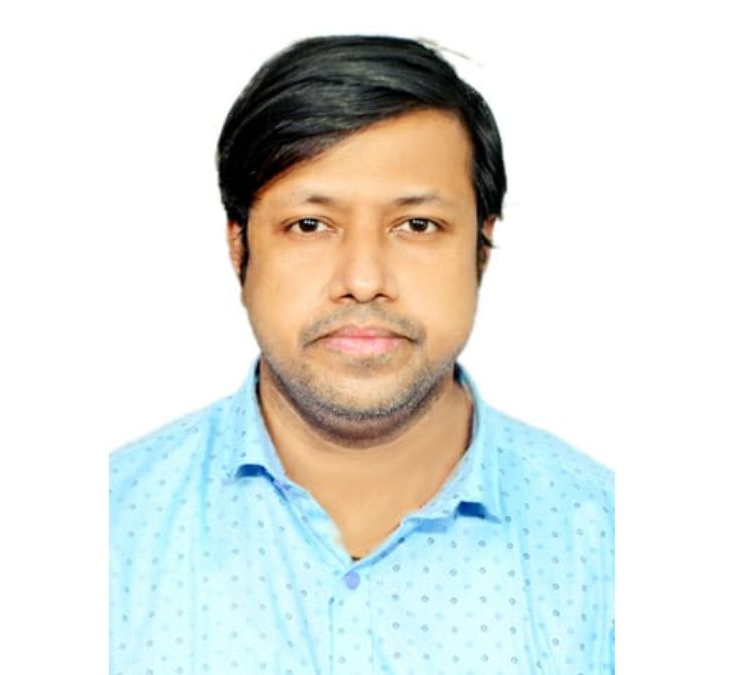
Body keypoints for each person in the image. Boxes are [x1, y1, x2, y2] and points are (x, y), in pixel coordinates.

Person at [110, 34, 614, 674]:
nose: (364, 278)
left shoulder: (607, 540)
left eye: (417, 225)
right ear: (239, 248)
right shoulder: (111, 526)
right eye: (310, 225)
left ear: (482, 249)